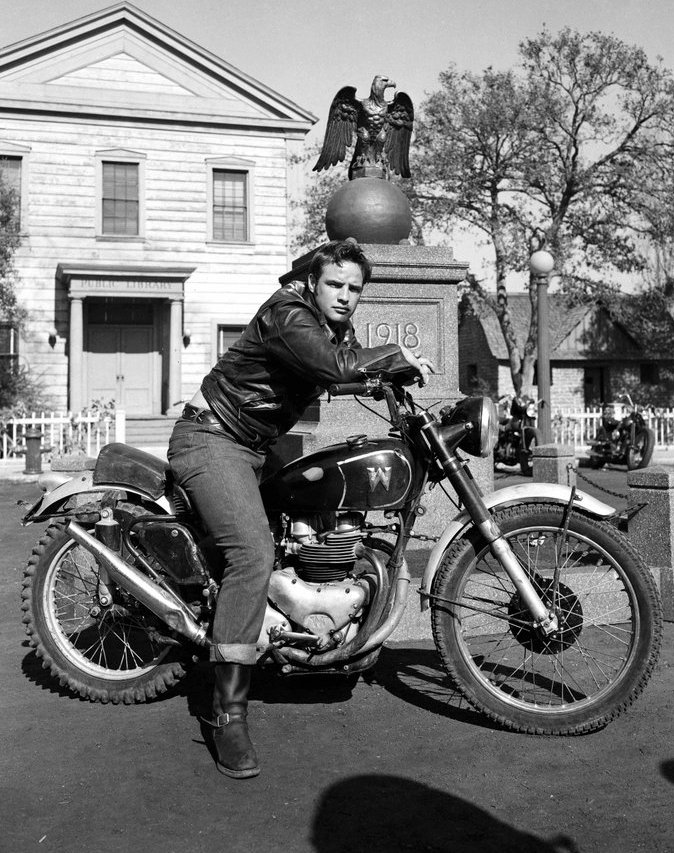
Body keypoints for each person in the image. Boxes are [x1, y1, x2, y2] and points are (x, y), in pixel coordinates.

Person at [167, 239, 433, 779]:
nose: (345, 296)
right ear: (314, 282)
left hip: (254, 445)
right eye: (335, 284)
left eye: (354, 288)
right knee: (252, 554)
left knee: (301, 528)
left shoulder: (332, 328)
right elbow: (333, 366)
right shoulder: (287, 313)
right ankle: (229, 714)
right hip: (212, 439)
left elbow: (346, 370)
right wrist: (391, 357)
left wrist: (392, 377)